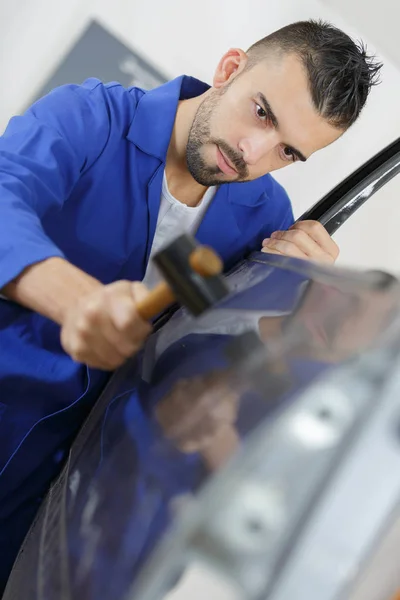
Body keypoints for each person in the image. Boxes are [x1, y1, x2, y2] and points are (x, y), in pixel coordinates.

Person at [0, 18, 382, 593]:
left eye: (287, 151)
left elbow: (203, 366)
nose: (254, 154)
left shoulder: (263, 221)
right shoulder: (92, 116)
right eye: (261, 112)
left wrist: (294, 306)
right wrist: (76, 302)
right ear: (229, 70)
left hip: (58, 492)